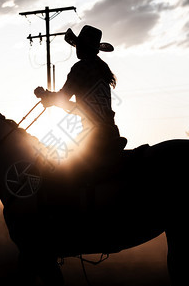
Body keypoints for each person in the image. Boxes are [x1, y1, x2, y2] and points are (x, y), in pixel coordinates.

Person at [34, 25, 127, 176]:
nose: (76, 48)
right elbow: (81, 107)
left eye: (78, 45)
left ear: (83, 47)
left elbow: (63, 98)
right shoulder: (102, 68)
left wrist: (46, 96)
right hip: (111, 131)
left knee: (64, 171)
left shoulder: (81, 68)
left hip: (93, 135)